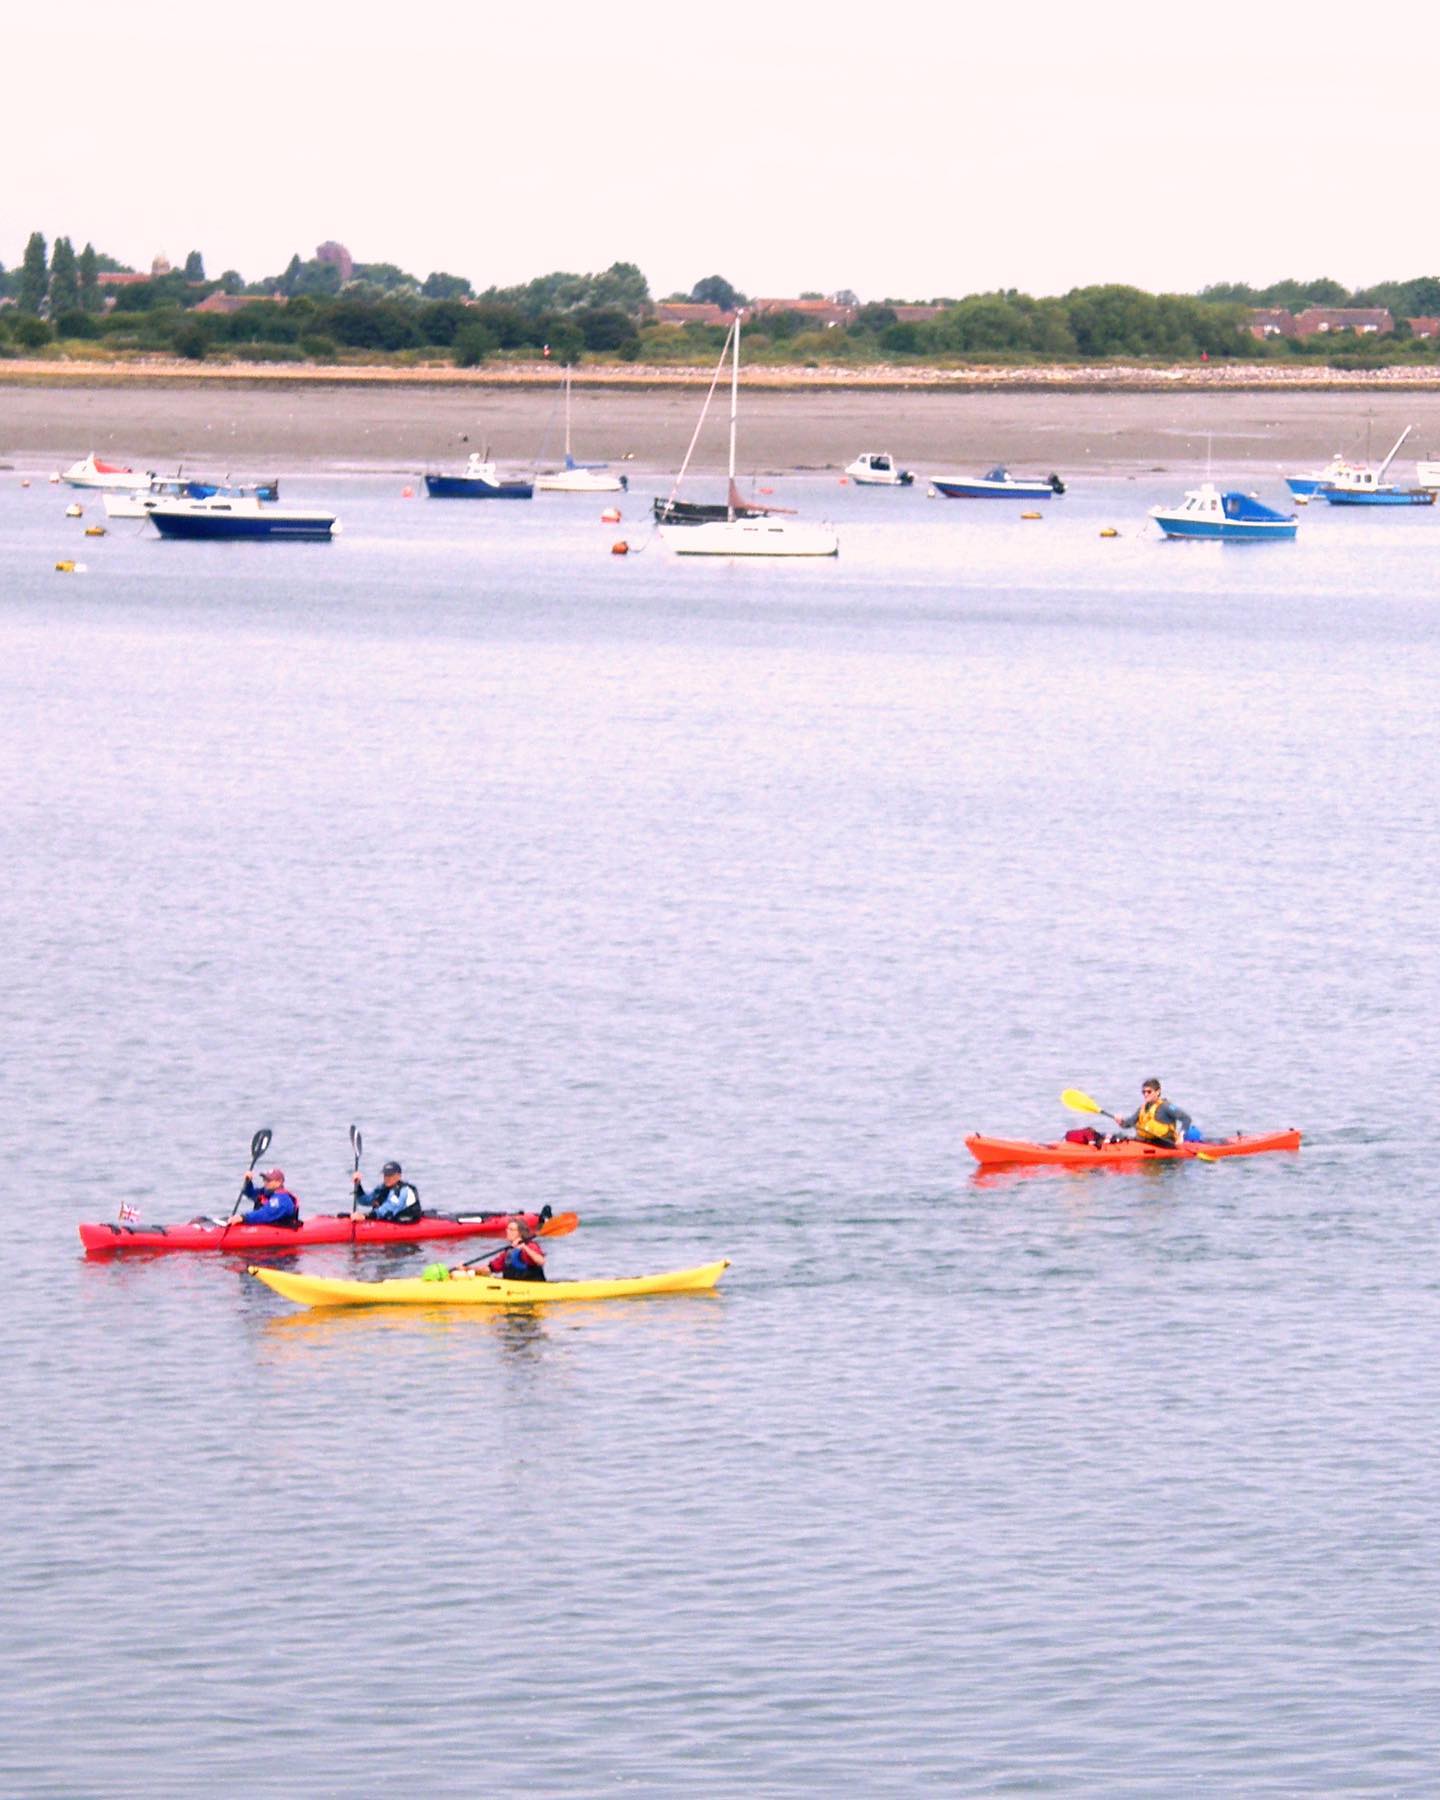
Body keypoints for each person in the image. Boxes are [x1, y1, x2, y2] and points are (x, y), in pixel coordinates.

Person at [1115, 1079, 1194, 1146]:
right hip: (1145, 1142)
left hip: (1164, 1144)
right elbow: (1129, 1123)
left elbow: (1186, 1118)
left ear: (1158, 1092)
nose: (1145, 1094)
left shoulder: (1166, 1107)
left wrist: (1181, 1136)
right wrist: (1121, 1122)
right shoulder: (1143, 1108)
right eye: (1144, 1092)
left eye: (1149, 1092)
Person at [352, 1160, 422, 1223]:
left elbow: (389, 1209)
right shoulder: (382, 1188)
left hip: (405, 1222)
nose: (387, 1178)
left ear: (399, 1176)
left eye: (390, 1175)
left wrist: (365, 1216)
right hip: (389, 1220)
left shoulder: (404, 1191)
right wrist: (358, 1185)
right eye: (385, 1175)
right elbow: (364, 1200)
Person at [485, 1217, 547, 1282]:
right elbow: (490, 1268)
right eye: (507, 1229)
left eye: (511, 1229)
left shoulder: (530, 1246)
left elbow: (541, 1261)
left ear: (520, 1233)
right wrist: (474, 1270)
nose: (507, 1231)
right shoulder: (508, 1251)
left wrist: (525, 1248)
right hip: (513, 1288)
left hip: (532, 1287)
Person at [236, 1168, 301, 1228]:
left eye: (268, 1180)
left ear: (279, 1182)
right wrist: (248, 1182)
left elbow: (266, 1214)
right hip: (265, 1227)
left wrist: (243, 1217)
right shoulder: (266, 1192)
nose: (265, 1182)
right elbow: (250, 1193)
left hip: (280, 1231)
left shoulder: (282, 1199)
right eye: (264, 1179)